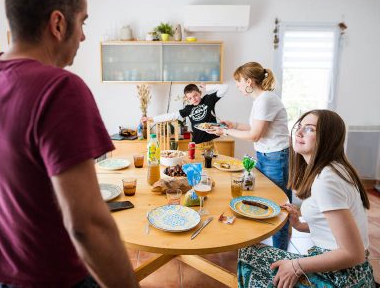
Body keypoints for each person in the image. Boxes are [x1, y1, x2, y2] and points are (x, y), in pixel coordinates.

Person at [0, 0, 138, 287]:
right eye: (83, 23)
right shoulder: (61, 89)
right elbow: (86, 225)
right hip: (58, 277)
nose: (83, 37)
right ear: (58, 24)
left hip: (4, 275)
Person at [237, 109, 375, 288]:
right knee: (250, 252)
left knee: (249, 254)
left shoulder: (326, 180)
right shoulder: (334, 169)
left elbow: (353, 253)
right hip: (349, 269)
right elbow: (337, 227)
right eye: (299, 126)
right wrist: (300, 225)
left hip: (343, 277)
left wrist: (296, 266)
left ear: (328, 137)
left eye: (309, 129)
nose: (299, 132)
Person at [210, 62, 291, 250]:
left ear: (249, 81)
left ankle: (280, 255)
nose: (237, 86)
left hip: (275, 158)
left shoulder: (266, 100)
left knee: (279, 207)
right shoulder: (261, 100)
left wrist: (226, 133)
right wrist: (233, 125)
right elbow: (255, 128)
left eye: (238, 82)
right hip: (267, 156)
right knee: (264, 201)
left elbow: (255, 135)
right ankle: (265, 248)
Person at [145, 83, 228, 153]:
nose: (194, 99)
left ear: (200, 93)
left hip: (211, 144)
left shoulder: (208, 100)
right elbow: (172, 115)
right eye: (190, 98)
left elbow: (225, 87)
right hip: (198, 145)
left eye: (195, 95)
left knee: (212, 169)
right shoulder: (188, 109)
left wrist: (207, 87)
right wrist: (152, 118)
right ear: (187, 99)